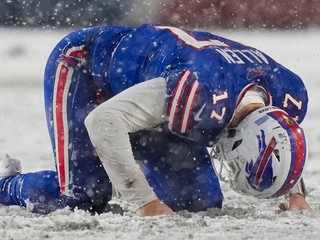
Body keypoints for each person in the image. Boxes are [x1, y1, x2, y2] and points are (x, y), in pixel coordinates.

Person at [0, 24, 312, 216]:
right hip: (87, 67)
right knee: (83, 197)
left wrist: (295, 193)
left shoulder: (288, 93)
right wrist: (144, 201)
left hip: (163, 84)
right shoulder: (201, 93)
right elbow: (104, 121)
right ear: (242, 143)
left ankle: (126, 168)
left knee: (196, 202)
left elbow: (279, 133)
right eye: (238, 163)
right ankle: (7, 185)